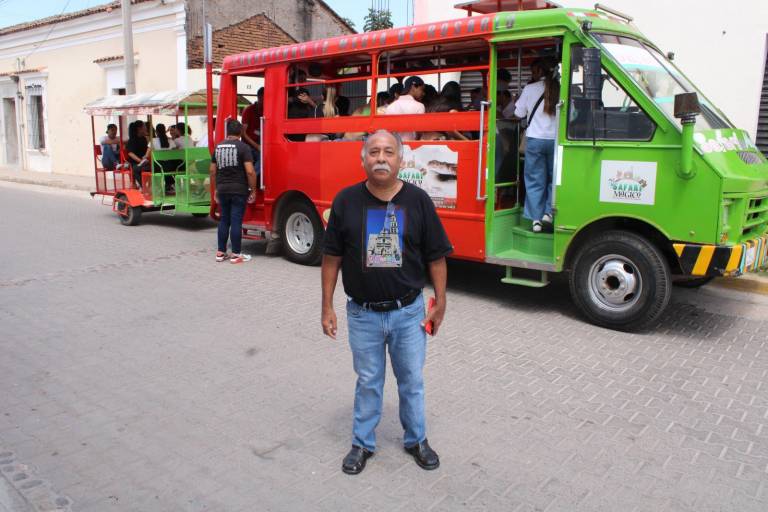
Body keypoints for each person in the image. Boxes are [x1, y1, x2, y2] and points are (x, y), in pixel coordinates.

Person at [321, 129, 452, 475]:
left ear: (401, 159)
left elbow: (436, 256)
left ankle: (417, 440)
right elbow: (331, 257)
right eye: (374, 152)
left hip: (408, 313)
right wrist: (327, 306)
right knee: (368, 380)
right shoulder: (346, 202)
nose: (381, 158)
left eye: (389, 152)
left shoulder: (418, 201)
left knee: (411, 379)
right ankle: (362, 443)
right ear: (362, 158)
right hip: (362, 314)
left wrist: (440, 301)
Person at [514, 58, 560, 233]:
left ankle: (536, 220)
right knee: (553, 178)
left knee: (534, 180)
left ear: (540, 71)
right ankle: (549, 212)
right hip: (555, 140)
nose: (532, 75)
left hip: (535, 140)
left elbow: (519, 113)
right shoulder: (560, 88)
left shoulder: (530, 89)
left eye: (533, 71)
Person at [209, 119, 257, 264]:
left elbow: (212, 171)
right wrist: (253, 190)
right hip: (238, 190)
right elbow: (250, 172)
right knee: (236, 221)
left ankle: (220, 252)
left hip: (222, 189)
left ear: (227, 132)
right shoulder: (243, 148)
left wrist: (215, 189)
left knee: (224, 220)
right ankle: (236, 255)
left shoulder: (218, 147)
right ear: (240, 132)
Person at [385, 76, 426, 141]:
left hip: (394, 144)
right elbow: (419, 131)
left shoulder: (390, 107)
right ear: (413, 87)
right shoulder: (419, 106)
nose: (423, 93)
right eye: (422, 89)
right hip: (411, 145)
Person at [126, 120, 151, 189]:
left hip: (144, 161)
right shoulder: (132, 140)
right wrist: (140, 161)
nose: (146, 128)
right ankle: (143, 187)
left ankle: (149, 186)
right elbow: (130, 153)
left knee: (152, 168)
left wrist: (145, 159)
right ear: (139, 129)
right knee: (136, 169)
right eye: (144, 126)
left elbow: (147, 151)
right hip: (134, 162)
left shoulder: (144, 138)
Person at [241, 87, 264, 159]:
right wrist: (257, 146)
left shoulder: (267, 109)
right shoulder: (248, 110)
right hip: (249, 145)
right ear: (259, 97)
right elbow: (243, 133)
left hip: (261, 142)